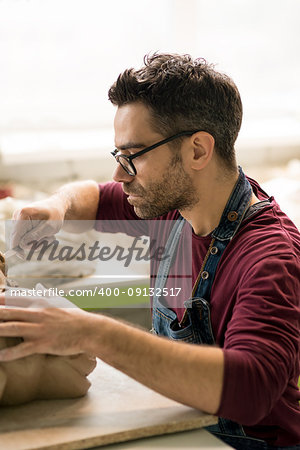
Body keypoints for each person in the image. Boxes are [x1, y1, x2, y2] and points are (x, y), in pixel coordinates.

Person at [0, 53, 299, 449]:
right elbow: (93, 196)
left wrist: (93, 332)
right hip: (181, 428)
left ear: (197, 151)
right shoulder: (176, 204)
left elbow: (249, 390)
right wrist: (57, 206)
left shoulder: (271, 259)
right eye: (118, 155)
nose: (119, 174)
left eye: (133, 156)